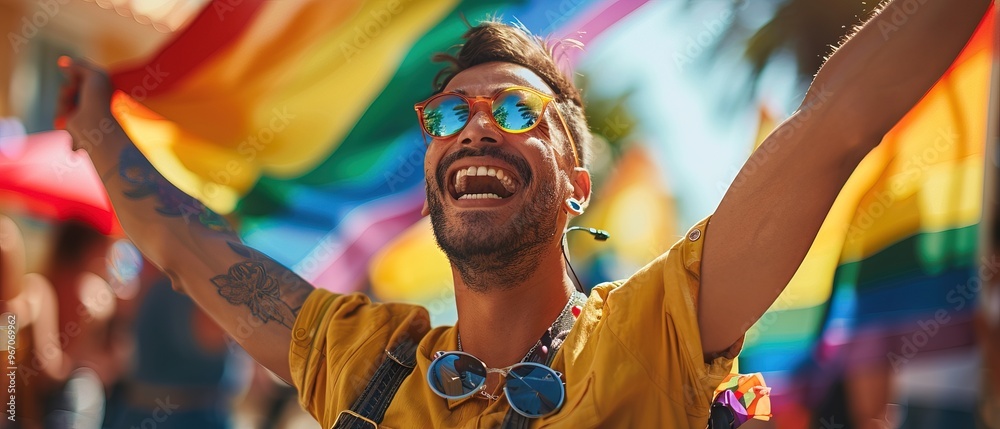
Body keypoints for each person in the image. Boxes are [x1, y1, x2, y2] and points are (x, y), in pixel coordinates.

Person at [56, 0, 992, 426]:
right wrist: (98, 133)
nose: (474, 130)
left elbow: (836, 125)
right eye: (450, 116)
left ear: (575, 181)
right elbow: (186, 249)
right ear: (428, 169)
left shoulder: (660, 327)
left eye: (513, 111)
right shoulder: (359, 354)